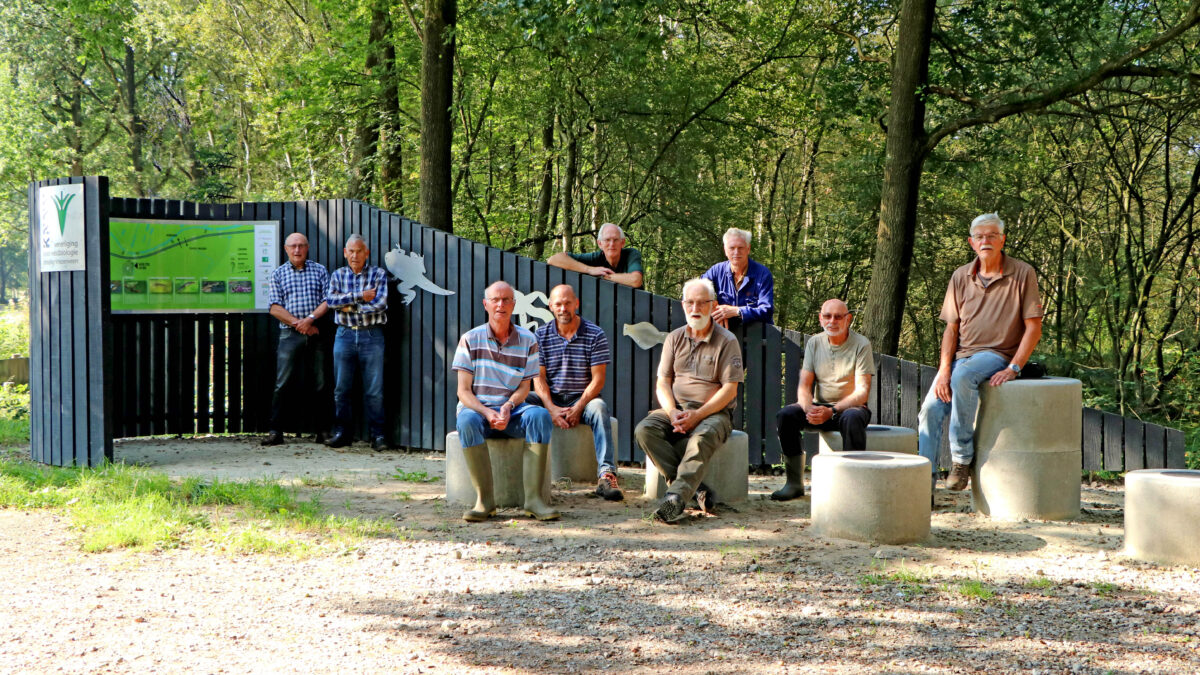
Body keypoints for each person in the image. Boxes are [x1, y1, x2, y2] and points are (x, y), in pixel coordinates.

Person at [918, 213, 1043, 493]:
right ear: (971, 242)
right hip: (962, 357)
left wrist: (1014, 368)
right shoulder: (960, 276)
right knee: (929, 411)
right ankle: (921, 489)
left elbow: (1034, 328)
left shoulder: (1023, 273)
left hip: (997, 354)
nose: (985, 241)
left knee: (964, 375)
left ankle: (961, 461)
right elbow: (951, 329)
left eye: (991, 236)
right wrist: (942, 370)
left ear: (1003, 240)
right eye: (979, 237)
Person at [635, 278, 744, 523]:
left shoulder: (727, 341)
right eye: (690, 303)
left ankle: (675, 499)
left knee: (701, 438)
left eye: (701, 303)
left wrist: (699, 415)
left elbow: (729, 390)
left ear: (713, 305)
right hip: (677, 409)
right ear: (683, 305)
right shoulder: (674, 338)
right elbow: (662, 382)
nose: (695, 309)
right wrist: (672, 412)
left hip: (715, 413)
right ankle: (694, 490)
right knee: (644, 430)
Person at [453, 281, 559, 522]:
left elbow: (525, 386)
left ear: (513, 304)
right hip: (478, 410)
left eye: (506, 300)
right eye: (495, 300)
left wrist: (509, 405)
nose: (501, 304)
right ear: (486, 305)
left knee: (540, 415)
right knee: (466, 419)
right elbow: (463, 392)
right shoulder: (470, 339)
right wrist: (487, 412)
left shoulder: (528, 339)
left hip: (512, 410)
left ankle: (533, 501)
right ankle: (485, 502)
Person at [771, 299, 874, 500]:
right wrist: (808, 408)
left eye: (838, 316)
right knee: (786, 415)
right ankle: (794, 483)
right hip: (820, 406)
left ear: (848, 319)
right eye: (827, 316)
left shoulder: (861, 344)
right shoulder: (814, 342)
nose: (832, 321)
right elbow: (804, 385)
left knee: (853, 418)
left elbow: (862, 392)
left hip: (850, 408)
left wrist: (833, 411)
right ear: (820, 319)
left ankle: (852, 488)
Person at [529, 284, 622, 501]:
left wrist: (579, 407)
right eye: (558, 304)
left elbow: (598, 379)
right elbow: (537, 378)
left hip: (584, 398)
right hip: (550, 398)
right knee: (522, 401)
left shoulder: (595, 333)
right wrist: (551, 409)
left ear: (576, 304)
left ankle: (606, 476)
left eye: (567, 303)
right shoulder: (540, 335)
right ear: (551, 306)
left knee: (599, 409)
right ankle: (529, 473)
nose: (563, 308)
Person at [262, 233, 330, 446]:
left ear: (307, 247)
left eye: (301, 246)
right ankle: (275, 432)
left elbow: (329, 300)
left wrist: (310, 320)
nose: (297, 250)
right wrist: (299, 325)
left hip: (316, 333)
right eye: (293, 246)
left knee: (321, 383)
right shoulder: (278, 274)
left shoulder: (320, 270)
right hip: (289, 336)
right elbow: (274, 307)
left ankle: (323, 432)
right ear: (286, 249)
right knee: (282, 384)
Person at [324, 234, 390, 450]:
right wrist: (360, 296)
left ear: (366, 253)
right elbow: (331, 301)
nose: (354, 255)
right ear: (345, 252)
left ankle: (378, 436)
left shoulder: (378, 274)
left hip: (372, 335)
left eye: (359, 251)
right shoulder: (337, 275)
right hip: (343, 335)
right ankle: (342, 433)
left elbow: (380, 305)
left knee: (375, 390)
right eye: (351, 251)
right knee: (341, 389)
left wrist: (348, 306)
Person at [701, 227, 774, 327]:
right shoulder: (716, 270)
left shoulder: (763, 274)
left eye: (740, 248)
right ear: (725, 250)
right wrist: (713, 308)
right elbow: (694, 292)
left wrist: (737, 311)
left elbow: (767, 311)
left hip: (756, 335)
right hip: (726, 334)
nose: (736, 252)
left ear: (748, 249)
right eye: (732, 248)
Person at [546, 223, 644, 288]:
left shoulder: (631, 254)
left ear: (622, 243)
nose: (611, 244)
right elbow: (553, 259)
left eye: (615, 240)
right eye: (607, 240)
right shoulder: (596, 257)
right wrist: (589, 270)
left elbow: (635, 280)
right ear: (599, 243)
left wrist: (603, 277)